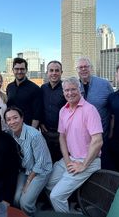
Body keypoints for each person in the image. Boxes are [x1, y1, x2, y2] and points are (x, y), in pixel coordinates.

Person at [46, 77, 103, 213]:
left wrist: (83, 165)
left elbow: (98, 140)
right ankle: (65, 208)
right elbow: (62, 137)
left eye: (73, 89)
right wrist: (67, 161)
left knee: (56, 196)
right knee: (48, 184)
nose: (69, 93)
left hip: (88, 160)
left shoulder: (90, 110)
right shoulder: (63, 111)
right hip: (71, 158)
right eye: (66, 90)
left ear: (80, 90)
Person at [4, 106, 52, 217]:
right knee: (15, 199)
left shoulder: (34, 135)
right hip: (25, 169)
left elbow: (40, 162)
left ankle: (30, 214)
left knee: (25, 203)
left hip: (40, 170)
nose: (12, 122)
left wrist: (28, 182)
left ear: (22, 118)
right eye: (9, 119)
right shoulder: (10, 133)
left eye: (15, 118)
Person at [76, 57, 113, 168]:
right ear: (77, 70)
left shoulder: (104, 84)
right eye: (80, 67)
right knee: (83, 166)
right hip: (81, 138)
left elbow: (113, 109)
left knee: (102, 166)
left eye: (86, 66)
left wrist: (111, 131)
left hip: (102, 136)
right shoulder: (74, 86)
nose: (83, 69)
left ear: (91, 68)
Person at [40, 60, 66, 163]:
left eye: (57, 70)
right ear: (47, 72)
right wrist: (41, 122)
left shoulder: (66, 88)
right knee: (47, 160)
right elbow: (40, 106)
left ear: (61, 72)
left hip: (62, 134)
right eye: (51, 70)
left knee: (61, 161)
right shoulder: (43, 88)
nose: (54, 73)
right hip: (46, 133)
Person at [6, 58, 42, 128]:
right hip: (11, 128)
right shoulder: (9, 87)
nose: (19, 71)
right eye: (16, 69)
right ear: (13, 70)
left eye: (22, 69)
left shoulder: (35, 89)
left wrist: (31, 133)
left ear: (26, 70)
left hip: (27, 129)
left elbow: (37, 115)